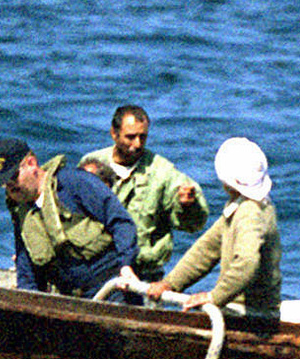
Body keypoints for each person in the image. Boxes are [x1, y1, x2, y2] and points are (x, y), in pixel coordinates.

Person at [146, 137, 281, 316]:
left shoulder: (250, 212)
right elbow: (207, 249)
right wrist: (171, 283)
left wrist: (213, 297)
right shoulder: (241, 206)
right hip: (238, 306)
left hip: (252, 313)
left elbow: (248, 262)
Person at [0, 136, 137, 296]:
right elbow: (27, 269)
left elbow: (120, 222)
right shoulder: (23, 215)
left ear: (31, 164)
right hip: (71, 299)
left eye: (13, 177)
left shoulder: (74, 183)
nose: (11, 186)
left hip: (112, 289)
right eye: (5, 182)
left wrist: (126, 265)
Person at [80, 105, 209, 281]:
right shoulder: (92, 164)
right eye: (130, 137)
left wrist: (188, 205)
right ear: (114, 133)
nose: (137, 144)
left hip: (143, 274)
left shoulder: (162, 173)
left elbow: (194, 224)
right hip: (96, 269)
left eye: (143, 137)